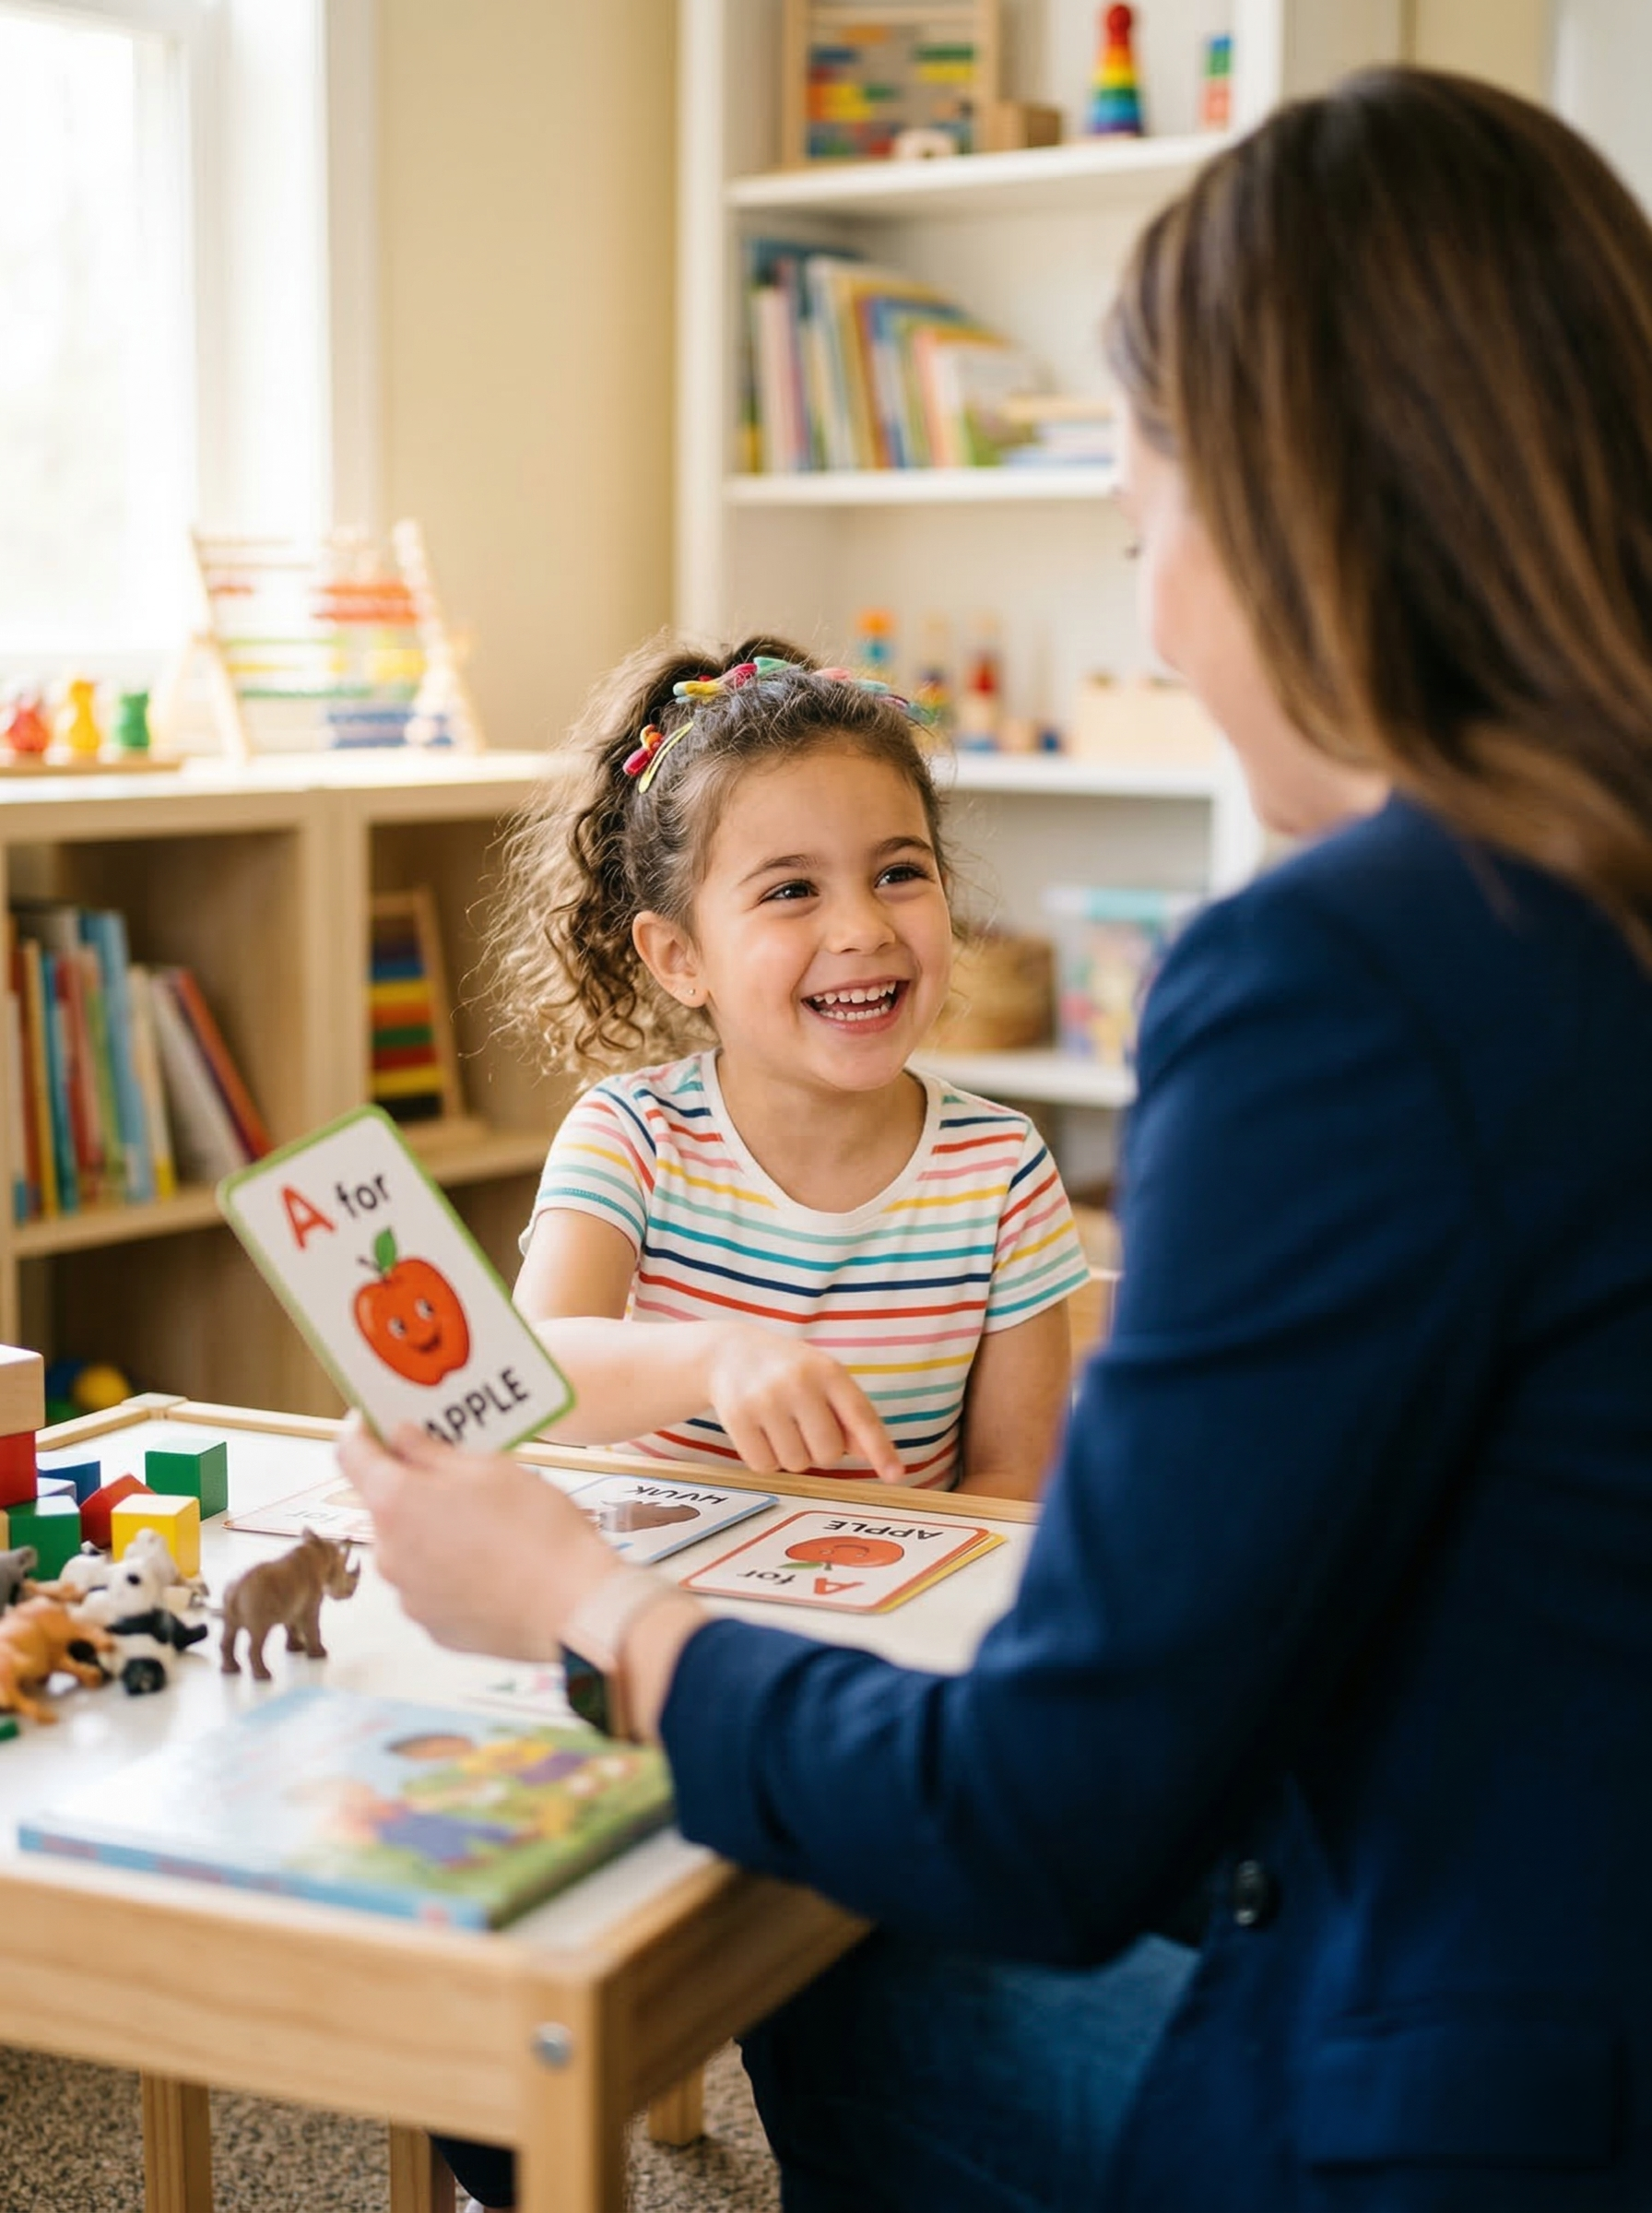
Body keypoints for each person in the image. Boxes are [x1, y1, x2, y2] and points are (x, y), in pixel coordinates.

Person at [345, 66, 1652, 2213]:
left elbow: (1046, 1814)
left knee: (832, 1916)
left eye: (1143, 532)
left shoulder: (1343, 976)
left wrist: (588, 1602)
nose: (1154, 620)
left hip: (1499, 2088)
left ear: (1289, 515)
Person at [496, 637, 1090, 1498]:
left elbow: (1016, 1479)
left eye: (898, 873)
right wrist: (712, 1358)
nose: (863, 929)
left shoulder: (1002, 1171)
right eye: (791, 890)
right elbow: (531, 1374)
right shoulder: (632, 1137)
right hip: (651, 1582)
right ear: (679, 956)